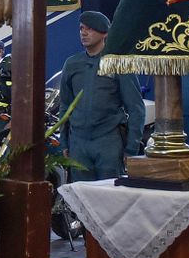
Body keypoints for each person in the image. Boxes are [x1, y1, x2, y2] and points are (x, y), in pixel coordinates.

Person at [56, 11, 145, 180]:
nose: (83, 32)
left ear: (104, 32)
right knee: (81, 197)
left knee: (111, 197)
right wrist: (65, 143)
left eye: (90, 29)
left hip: (108, 141)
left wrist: (131, 148)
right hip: (78, 143)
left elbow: (135, 108)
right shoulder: (72, 64)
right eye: (81, 28)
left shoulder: (118, 62)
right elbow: (65, 106)